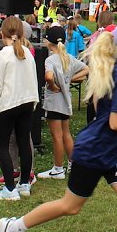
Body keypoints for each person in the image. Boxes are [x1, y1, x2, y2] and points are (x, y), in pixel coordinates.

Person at [0, 19, 117, 232]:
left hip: (110, 151)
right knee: (70, 206)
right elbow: (116, 122)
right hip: (95, 151)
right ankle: (13, 228)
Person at [0, 17, 39, 200]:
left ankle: (10, 189)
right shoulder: (26, 52)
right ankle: (24, 183)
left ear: (2, 33)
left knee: (2, 145)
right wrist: (34, 102)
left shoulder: (1, 56)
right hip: (26, 102)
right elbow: (34, 78)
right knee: (24, 141)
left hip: (7, 104)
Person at [38, 26, 88, 179]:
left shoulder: (50, 59)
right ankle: (73, 164)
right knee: (66, 134)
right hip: (66, 103)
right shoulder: (69, 58)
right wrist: (69, 80)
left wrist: (53, 85)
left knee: (56, 136)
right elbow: (86, 69)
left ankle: (58, 168)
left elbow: (48, 76)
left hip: (54, 103)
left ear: (49, 42)